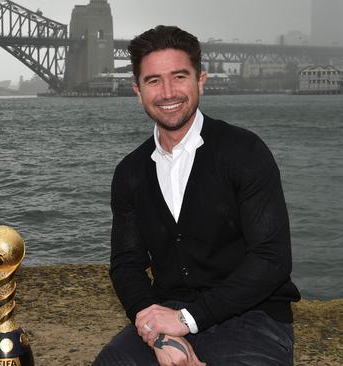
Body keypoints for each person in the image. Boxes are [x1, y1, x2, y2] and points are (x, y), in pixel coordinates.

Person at [93, 26, 301, 366]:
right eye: (153, 81)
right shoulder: (129, 172)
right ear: (137, 90)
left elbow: (271, 260)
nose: (168, 92)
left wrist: (186, 321)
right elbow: (126, 264)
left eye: (179, 76)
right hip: (167, 313)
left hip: (254, 317)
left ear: (200, 80)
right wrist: (158, 330)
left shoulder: (244, 151)